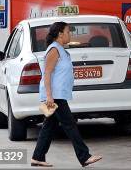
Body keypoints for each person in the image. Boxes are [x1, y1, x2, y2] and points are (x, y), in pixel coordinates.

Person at [32, 22, 102, 167]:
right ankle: (84, 157)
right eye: (68, 32)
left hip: (58, 94)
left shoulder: (60, 49)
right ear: (60, 34)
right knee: (69, 124)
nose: (70, 35)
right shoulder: (54, 50)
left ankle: (37, 157)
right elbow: (47, 74)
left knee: (49, 126)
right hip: (55, 95)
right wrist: (49, 96)